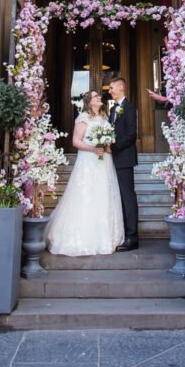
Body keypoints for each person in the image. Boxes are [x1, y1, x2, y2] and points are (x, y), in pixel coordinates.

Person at [44, 89, 125, 256]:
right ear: (89, 102)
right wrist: (93, 149)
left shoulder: (104, 117)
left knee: (103, 195)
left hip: (104, 163)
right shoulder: (83, 118)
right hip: (89, 162)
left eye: (99, 96)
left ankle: (106, 237)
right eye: (96, 96)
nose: (99, 98)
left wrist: (107, 146)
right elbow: (75, 141)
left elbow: (108, 139)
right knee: (86, 195)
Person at [108, 77, 140, 251]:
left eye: (112, 88)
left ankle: (132, 237)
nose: (110, 91)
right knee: (119, 197)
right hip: (113, 159)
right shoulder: (113, 109)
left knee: (128, 197)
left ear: (121, 87)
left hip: (124, 158)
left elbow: (131, 134)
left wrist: (114, 147)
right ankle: (122, 233)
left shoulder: (128, 107)